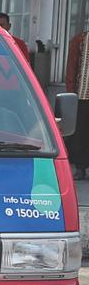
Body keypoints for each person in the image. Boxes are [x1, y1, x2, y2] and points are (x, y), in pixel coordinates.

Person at [63, 26, 89, 180]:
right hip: (82, 95)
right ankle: (80, 167)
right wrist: (71, 92)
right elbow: (71, 68)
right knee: (80, 134)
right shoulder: (80, 40)